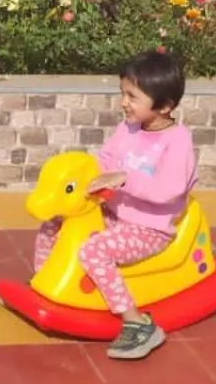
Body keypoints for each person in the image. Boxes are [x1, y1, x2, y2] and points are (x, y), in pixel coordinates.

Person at [80, 48, 198, 360]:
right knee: (57, 222)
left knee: (94, 250)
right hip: (114, 213)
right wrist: (86, 175)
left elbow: (169, 190)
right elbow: (106, 159)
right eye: (123, 93)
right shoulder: (128, 127)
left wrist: (124, 179)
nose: (124, 103)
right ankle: (49, 282)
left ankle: (137, 323)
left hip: (148, 229)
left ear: (164, 106)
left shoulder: (178, 141)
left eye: (132, 96)